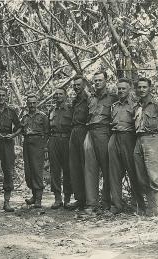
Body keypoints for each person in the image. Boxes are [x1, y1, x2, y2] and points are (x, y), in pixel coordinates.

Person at [133, 77, 158, 217]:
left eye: (144, 87)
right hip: (139, 141)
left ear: (150, 88)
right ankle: (151, 209)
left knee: (155, 177)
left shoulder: (157, 105)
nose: (142, 90)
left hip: (154, 139)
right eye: (139, 87)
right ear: (136, 89)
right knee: (142, 177)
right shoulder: (137, 106)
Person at [108, 78, 145, 214]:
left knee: (133, 171)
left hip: (129, 138)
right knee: (114, 173)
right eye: (119, 89)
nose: (121, 91)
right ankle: (116, 205)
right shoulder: (114, 106)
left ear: (129, 90)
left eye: (124, 88)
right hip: (114, 137)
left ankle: (139, 205)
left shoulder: (135, 106)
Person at [84, 70, 118, 215]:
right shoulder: (90, 99)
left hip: (104, 132)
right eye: (95, 80)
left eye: (100, 80)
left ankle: (106, 202)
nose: (97, 83)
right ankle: (92, 203)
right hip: (90, 132)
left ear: (106, 81)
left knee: (106, 168)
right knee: (90, 169)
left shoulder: (113, 98)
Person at [0, 87, 21, 213]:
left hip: (7, 142)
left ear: (7, 96)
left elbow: (19, 127)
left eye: (3, 95)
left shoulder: (11, 111)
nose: (1, 97)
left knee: (8, 171)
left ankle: (7, 202)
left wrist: (13, 135)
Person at [22, 93, 49, 208]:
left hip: (38, 145)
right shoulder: (25, 117)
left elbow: (47, 132)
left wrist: (44, 146)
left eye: (34, 103)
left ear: (37, 103)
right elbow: (22, 130)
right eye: (30, 103)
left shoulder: (42, 116)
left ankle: (38, 198)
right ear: (27, 104)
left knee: (37, 171)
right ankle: (33, 195)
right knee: (28, 171)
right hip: (27, 144)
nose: (32, 105)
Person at [48, 88, 73, 209]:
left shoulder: (70, 110)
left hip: (67, 140)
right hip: (53, 140)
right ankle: (58, 198)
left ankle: (67, 198)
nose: (58, 96)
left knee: (68, 168)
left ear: (65, 96)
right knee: (55, 170)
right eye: (56, 94)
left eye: (60, 94)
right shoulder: (51, 111)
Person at [67, 75, 89, 210]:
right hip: (74, 132)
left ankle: (89, 199)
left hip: (84, 131)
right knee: (74, 166)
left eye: (78, 85)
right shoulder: (74, 101)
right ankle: (79, 198)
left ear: (84, 85)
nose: (76, 87)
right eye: (74, 85)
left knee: (85, 165)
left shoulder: (89, 99)